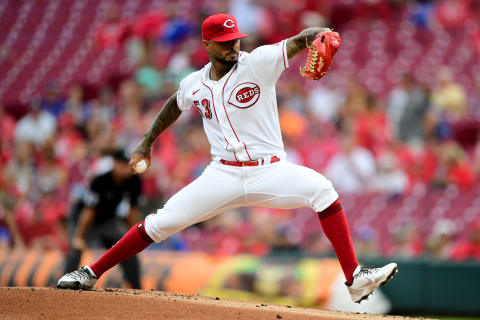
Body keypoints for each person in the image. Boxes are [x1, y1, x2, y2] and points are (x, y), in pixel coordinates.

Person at [58, 13, 398, 303]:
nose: (233, 45)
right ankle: (90, 272)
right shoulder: (194, 83)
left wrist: (319, 36)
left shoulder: (258, 63)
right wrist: (146, 142)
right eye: (224, 41)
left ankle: (354, 279)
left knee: (323, 190)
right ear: (207, 45)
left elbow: (298, 40)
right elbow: (174, 105)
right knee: (160, 223)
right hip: (222, 176)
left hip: (270, 170)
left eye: (235, 38)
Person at [63, 149, 143, 289]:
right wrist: (79, 237)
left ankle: (136, 287)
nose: (125, 167)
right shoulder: (101, 180)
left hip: (108, 220)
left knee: (128, 246)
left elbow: (133, 211)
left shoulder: (134, 181)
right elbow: (89, 211)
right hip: (85, 220)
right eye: (122, 163)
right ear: (115, 163)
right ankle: (65, 285)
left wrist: (133, 236)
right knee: (76, 247)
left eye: (128, 164)